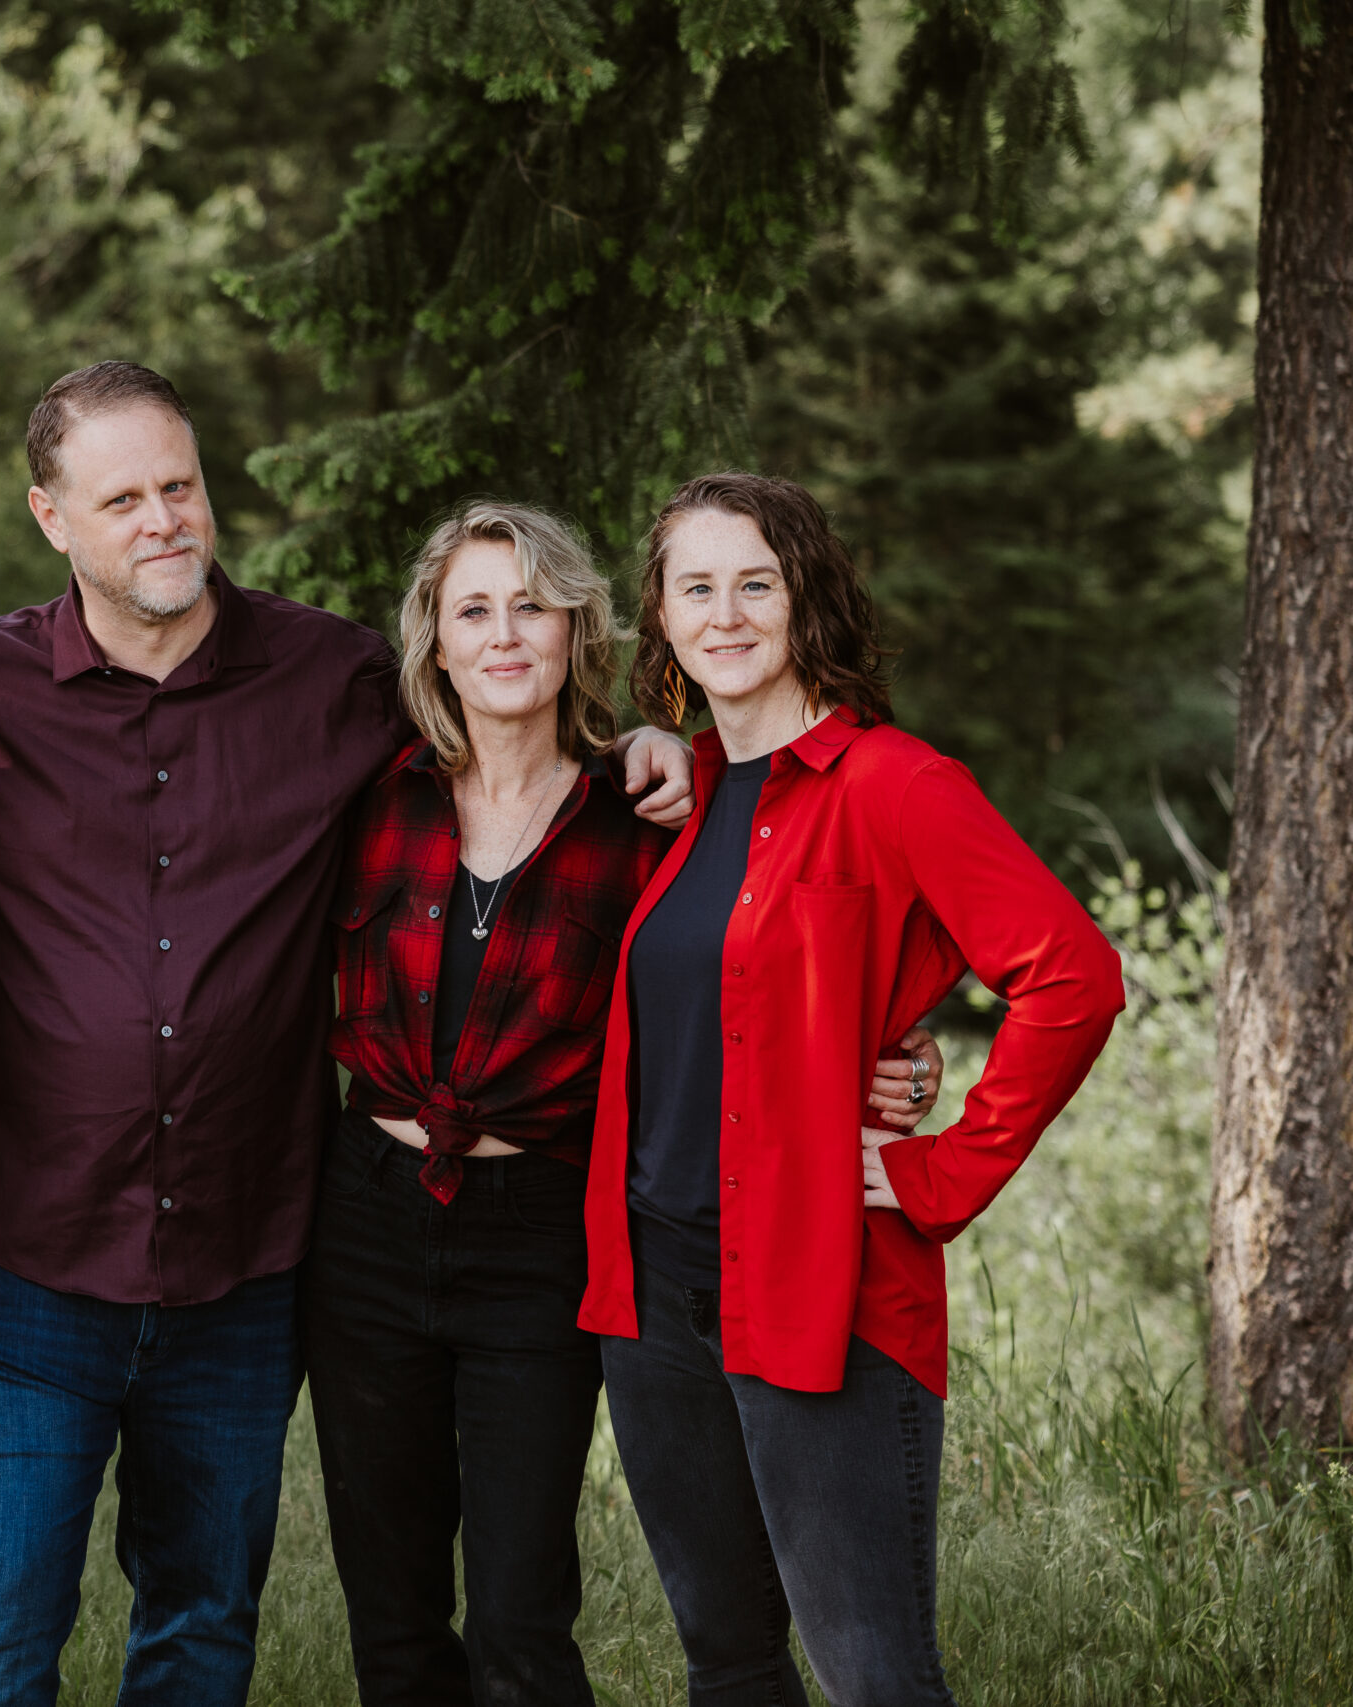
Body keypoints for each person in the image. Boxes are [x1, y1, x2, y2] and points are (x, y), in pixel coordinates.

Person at [0, 363, 698, 1707]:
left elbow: (503, 721)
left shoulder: (333, 677)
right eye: (123, 497)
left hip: (246, 1263)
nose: (164, 517)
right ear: (52, 515)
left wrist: (651, 741)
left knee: (199, 1625)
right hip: (30, 1264)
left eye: (181, 485)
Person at [309, 499, 945, 1707]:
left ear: (577, 634)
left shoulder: (654, 812)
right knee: (388, 1604)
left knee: (518, 1607)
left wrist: (892, 1051)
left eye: (531, 609)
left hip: (542, 1223)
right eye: (472, 612)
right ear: (432, 644)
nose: (504, 637)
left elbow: (752, 973)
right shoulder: (372, 799)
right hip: (369, 1218)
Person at [583, 472, 1126, 1707]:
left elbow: (1073, 981)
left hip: (822, 1289)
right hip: (657, 1301)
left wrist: (941, 1167)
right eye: (695, 587)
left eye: (755, 584)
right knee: (726, 1665)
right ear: (660, 618)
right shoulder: (672, 793)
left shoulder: (893, 784)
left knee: (874, 1678)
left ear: (805, 598)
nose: (725, 614)